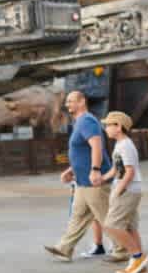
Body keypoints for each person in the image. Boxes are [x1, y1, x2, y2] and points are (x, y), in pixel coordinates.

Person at [44, 91, 122, 262]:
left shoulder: (87, 121)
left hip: (94, 182)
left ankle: (122, 249)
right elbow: (82, 151)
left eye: (71, 101)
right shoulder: (79, 122)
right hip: (82, 181)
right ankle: (64, 249)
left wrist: (95, 170)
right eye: (67, 102)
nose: (67, 104)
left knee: (106, 216)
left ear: (82, 102)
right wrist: (71, 170)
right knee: (78, 217)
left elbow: (96, 147)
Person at [101, 111, 148, 273]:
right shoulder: (119, 145)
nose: (106, 128)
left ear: (119, 127)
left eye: (108, 125)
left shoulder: (126, 146)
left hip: (128, 190)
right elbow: (116, 169)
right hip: (129, 189)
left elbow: (129, 172)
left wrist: (117, 191)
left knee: (111, 225)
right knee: (130, 227)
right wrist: (102, 179)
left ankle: (137, 256)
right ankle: (139, 264)